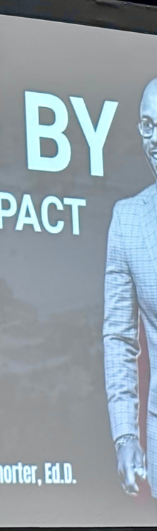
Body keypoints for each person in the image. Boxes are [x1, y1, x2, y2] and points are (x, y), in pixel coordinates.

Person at [104, 78, 157, 496]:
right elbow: (119, 338)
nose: (154, 139)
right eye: (146, 125)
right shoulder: (129, 220)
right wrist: (126, 436)